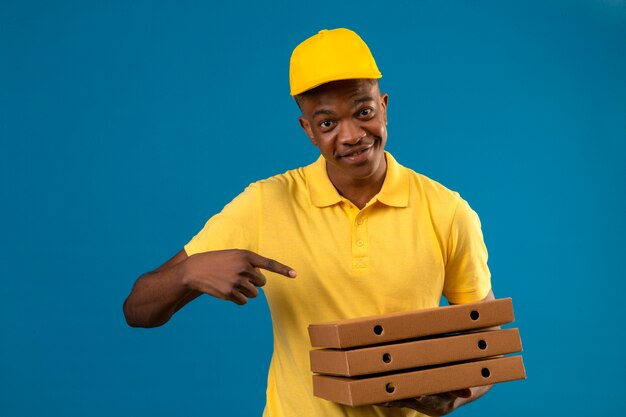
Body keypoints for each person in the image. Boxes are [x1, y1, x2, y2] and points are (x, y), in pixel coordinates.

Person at [124, 28, 495, 417]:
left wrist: (455, 394)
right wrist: (188, 272)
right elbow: (138, 310)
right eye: (328, 123)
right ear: (308, 131)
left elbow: (485, 338)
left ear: (384, 107)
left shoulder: (447, 211)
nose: (351, 135)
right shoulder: (266, 203)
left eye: (363, 112)